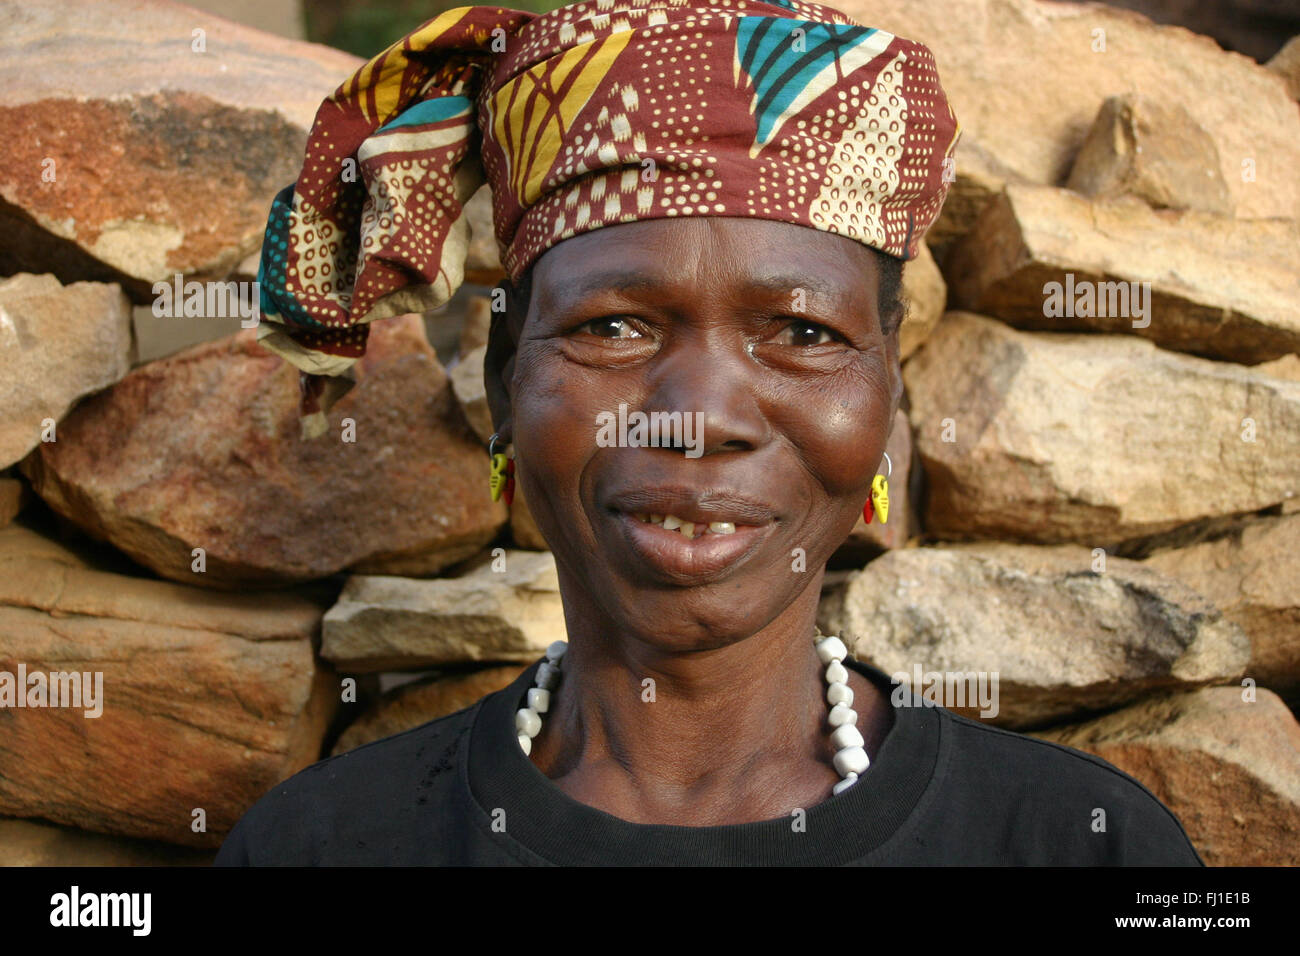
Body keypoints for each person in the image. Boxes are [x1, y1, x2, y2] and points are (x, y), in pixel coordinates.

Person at [216, 0, 1203, 865]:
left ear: (886, 396)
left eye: (803, 333)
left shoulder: (1080, 846)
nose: (705, 416)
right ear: (505, 381)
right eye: (613, 325)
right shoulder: (320, 845)